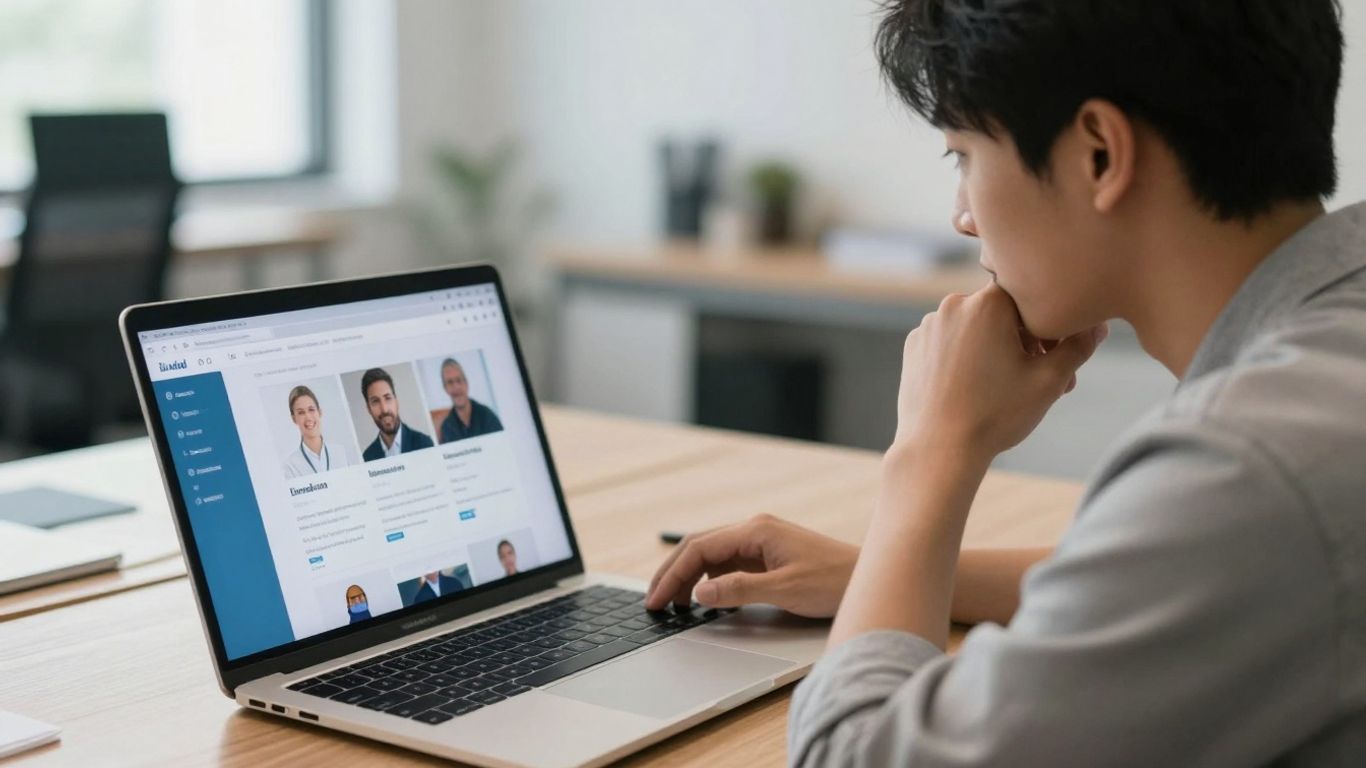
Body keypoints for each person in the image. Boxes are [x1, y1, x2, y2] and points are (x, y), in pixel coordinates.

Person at [646, 2, 1366, 765]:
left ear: (1099, 155)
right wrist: (878, 571)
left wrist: (931, 452)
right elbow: (1172, 578)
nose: (961, 215)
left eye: (962, 154)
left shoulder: (1247, 468)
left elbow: (850, 753)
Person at [358, 367, 434, 462]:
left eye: (388, 398)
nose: (384, 409)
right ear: (369, 409)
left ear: (396, 402)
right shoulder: (367, 457)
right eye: (375, 401)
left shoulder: (424, 444)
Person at [281, 385, 357, 478]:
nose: (308, 417)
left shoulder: (341, 453)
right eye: (301, 412)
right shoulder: (290, 466)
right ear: (294, 419)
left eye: (311, 410)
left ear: (319, 412)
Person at [437, 357, 503, 443]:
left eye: (459, 380)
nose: (456, 387)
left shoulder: (487, 416)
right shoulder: (446, 428)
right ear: (445, 388)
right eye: (450, 382)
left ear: (466, 383)